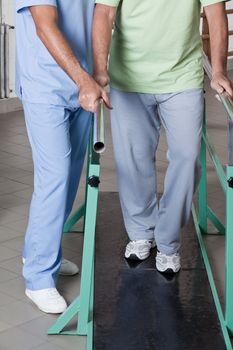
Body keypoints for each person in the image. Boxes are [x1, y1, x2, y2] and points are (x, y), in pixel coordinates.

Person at [93, 0, 233, 273]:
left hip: (183, 78)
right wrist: (100, 70)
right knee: (133, 158)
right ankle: (141, 232)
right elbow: (104, 13)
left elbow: (215, 14)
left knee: (187, 158)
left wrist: (218, 70)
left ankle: (168, 240)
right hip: (129, 79)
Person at [15, 0, 111, 314]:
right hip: (46, 86)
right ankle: (39, 277)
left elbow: (101, 12)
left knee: (69, 176)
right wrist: (84, 79)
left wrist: (97, 73)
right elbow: (45, 24)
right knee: (54, 176)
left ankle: (40, 249)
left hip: (83, 85)